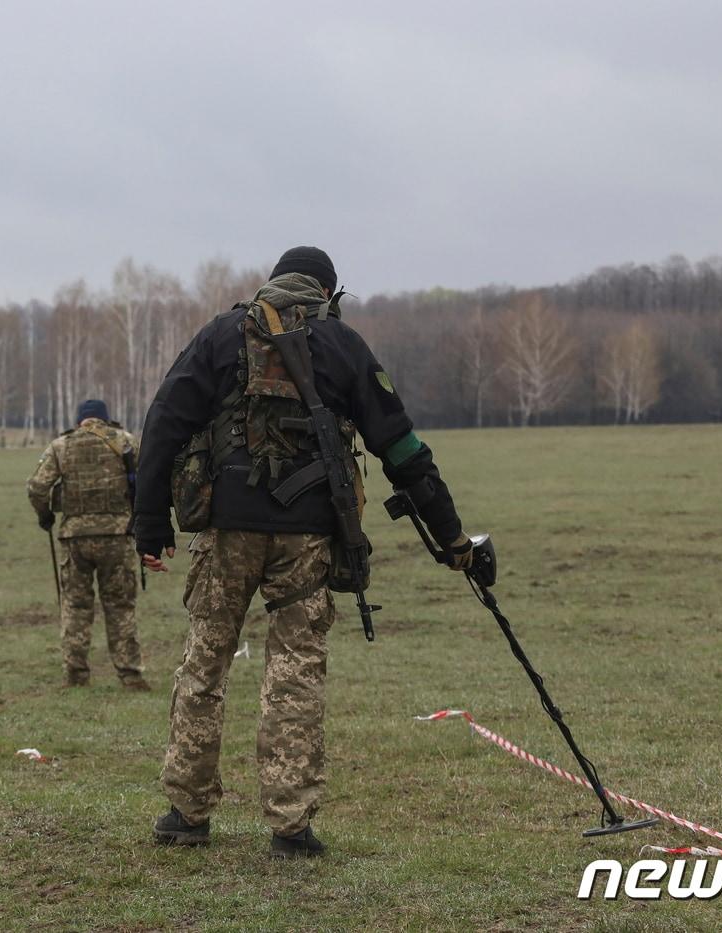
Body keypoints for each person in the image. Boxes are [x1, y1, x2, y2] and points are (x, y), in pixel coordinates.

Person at [134, 246, 476, 859]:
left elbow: (164, 421)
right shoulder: (342, 345)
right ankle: (290, 826)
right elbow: (402, 449)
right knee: (294, 672)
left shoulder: (220, 335)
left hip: (226, 530)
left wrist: (149, 520)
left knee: (204, 665)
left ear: (272, 285)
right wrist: (450, 535)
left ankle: (186, 812)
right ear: (328, 294)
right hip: (308, 538)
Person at [27, 399, 150, 690]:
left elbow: (36, 487)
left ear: (80, 419)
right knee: (120, 606)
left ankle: (76, 674)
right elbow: (147, 480)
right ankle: (130, 675)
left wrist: (46, 517)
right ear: (105, 419)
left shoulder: (61, 445)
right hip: (118, 537)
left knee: (76, 606)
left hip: (75, 538)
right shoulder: (125, 441)